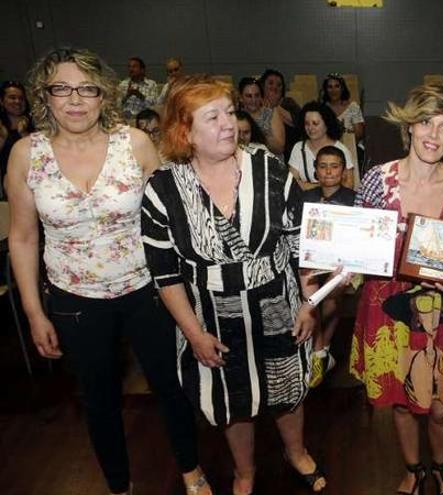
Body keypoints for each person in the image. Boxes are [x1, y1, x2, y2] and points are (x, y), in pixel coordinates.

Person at [6, 47, 210, 495]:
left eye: (87, 89)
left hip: (147, 290)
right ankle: (119, 485)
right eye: (62, 88)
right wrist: (34, 312)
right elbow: (23, 238)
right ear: (46, 95)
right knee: (98, 401)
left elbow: (172, 216)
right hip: (74, 300)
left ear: (104, 95)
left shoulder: (134, 143)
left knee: (170, 387)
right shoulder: (26, 154)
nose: (75, 100)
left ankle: (192, 470)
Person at [141, 74, 329, 495]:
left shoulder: (271, 171)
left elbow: (301, 245)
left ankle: (296, 452)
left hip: (277, 303)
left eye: (229, 111)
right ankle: (245, 471)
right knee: (232, 399)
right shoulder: (162, 190)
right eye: (213, 117)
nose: (228, 123)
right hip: (210, 316)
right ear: (183, 130)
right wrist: (193, 333)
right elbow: (165, 273)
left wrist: (308, 302)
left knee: (287, 388)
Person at [350, 84, 443, 495]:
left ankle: (441, 467)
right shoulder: (377, 179)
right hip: (386, 304)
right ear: (409, 125)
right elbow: (357, 244)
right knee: (400, 402)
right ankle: (413, 469)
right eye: (426, 122)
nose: (433, 134)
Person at [300, 146, 356, 388]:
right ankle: (320, 353)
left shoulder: (354, 199)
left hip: (343, 262)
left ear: (343, 171)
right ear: (315, 171)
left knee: (332, 296)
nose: (328, 171)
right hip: (310, 262)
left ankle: (320, 351)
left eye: (334, 166)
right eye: (323, 166)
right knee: (311, 297)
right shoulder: (305, 197)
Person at [288, 101, 355, 190]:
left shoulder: (341, 149)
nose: (310, 128)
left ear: (327, 124)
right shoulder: (298, 148)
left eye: (315, 123)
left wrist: (307, 186)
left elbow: (348, 184)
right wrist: (323, 187)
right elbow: (291, 183)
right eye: (307, 124)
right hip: (306, 201)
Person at [259, 69, 302, 161]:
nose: (274, 87)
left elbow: (298, 122)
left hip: (289, 151)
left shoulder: (288, 102)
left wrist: (274, 105)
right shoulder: (256, 104)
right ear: (262, 86)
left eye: (279, 85)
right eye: (270, 83)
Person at [237, 76, 285, 156]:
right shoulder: (236, 116)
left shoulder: (270, 114)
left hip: (270, 162)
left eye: (257, 95)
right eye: (249, 96)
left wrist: (263, 133)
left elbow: (279, 149)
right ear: (241, 98)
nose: (253, 100)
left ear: (261, 97)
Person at [0, 80, 34, 193]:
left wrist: (23, 133)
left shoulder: (35, 125)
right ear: (2, 101)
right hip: (6, 188)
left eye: (21, 98)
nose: (17, 101)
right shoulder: (2, 128)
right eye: (12, 97)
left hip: (32, 185)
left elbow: (40, 156)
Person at [321, 73, 365, 142]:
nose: (333, 90)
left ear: (342, 88)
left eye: (337, 86)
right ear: (326, 90)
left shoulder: (353, 107)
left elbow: (359, 134)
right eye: (330, 87)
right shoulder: (321, 108)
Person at [117, 56, 159, 121]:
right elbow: (117, 105)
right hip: (125, 119)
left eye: (134, 67)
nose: (131, 69)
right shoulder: (123, 84)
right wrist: (127, 95)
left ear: (142, 70)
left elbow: (154, 106)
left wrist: (139, 95)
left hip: (142, 119)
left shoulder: (151, 84)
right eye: (129, 67)